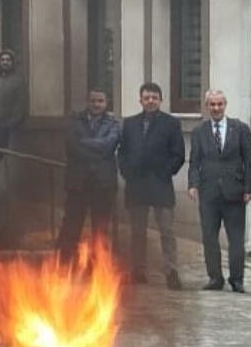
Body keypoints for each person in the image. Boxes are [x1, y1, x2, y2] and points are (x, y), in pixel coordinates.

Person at [118, 82, 185, 290]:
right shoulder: (129, 124)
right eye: (146, 98)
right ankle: (138, 271)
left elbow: (178, 154)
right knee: (137, 231)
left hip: (160, 184)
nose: (150, 101)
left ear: (161, 100)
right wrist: (127, 172)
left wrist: (165, 171)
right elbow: (122, 152)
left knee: (167, 231)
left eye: (154, 98)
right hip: (136, 185)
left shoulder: (171, 123)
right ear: (140, 100)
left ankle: (171, 271)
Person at [188, 89, 251, 293]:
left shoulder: (240, 128)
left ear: (225, 105)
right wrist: (193, 185)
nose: (216, 108)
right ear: (207, 106)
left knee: (236, 239)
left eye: (219, 104)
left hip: (234, 192)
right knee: (209, 237)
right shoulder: (199, 131)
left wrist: (249, 188)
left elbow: (249, 161)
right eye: (212, 104)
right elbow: (194, 161)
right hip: (209, 193)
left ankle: (237, 279)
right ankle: (215, 278)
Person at [56, 89, 120, 259]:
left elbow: (109, 146)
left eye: (100, 101)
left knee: (100, 229)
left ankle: (98, 266)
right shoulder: (74, 121)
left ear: (106, 103)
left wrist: (85, 143)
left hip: (103, 184)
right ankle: (64, 264)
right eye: (93, 101)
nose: (96, 104)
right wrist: (98, 149)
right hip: (77, 183)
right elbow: (72, 146)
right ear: (87, 101)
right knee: (71, 226)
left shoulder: (113, 123)